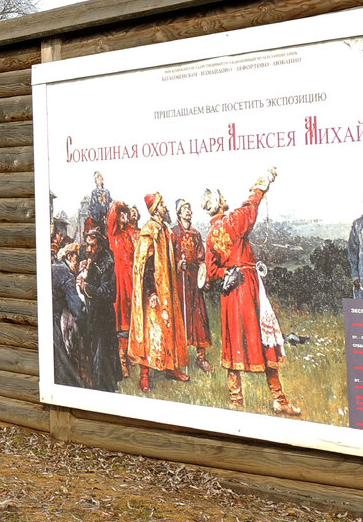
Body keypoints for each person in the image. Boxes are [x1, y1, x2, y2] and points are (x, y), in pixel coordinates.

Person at [203, 169, 301, 417]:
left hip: (229, 293)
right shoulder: (234, 219)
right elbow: (251, 205)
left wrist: (226, 273)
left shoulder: (211, 236)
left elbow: (212, 270)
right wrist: (263, 183)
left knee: (233, 342)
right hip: (247, 287)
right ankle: (278, 398)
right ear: (221, 203)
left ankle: (236, 402)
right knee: (263, 340)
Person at [128, 192, 188, 393]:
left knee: (171, 327)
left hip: (168, 290)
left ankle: (172, 368)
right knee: (150, 331)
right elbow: (145, 265)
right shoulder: (149, 231)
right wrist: (151, 291)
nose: (165, 207)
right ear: (155, 210)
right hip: (154, 292)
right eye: (161, 205)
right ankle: (144, 376)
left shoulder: (165, 229)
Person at [77, 219, 122, 392]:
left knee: (102, 355)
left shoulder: (107, 263)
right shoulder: (90, 259)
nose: (88, 250)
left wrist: (86, 286)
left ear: (100, 246)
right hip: (92, 316)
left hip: (104, 318)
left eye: (92, 246)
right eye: (87, 245)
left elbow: (108, 294)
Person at [172, 199, 213, 373]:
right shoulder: (173, 232)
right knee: (179, 316)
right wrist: (176, 263)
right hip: (180, 280)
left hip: (194, 280)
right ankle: (176, 357)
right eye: (184, 209)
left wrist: (205, 278)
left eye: (189, 208)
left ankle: (201, 357)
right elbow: (168, 255)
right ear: (179, 213)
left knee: (198, 317)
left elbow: (201, 258)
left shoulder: (196, 234)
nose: (188, 211)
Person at [106, 199, 135, 377]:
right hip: (119, 282)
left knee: (131, 318)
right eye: (121, 214)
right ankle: (122, 360)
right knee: (121, 319)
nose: (124, 217)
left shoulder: (127, 235)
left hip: (130, 281)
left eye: (125, 214)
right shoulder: (113, 233)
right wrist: (118, 204)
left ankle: (130, 355)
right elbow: (111, 217)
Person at [51, 242, 85, 388]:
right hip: (54, 324)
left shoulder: (55, 268)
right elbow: (76, 309)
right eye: (78, 260)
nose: (78, 266)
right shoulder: (66, 274)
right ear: (70, 257)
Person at [88, 172, 112, 238]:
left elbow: (109, 202)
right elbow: (93, 205)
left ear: (102, 179)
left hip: (106, 216)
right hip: (98, 217)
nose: (98, 180)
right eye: (96, 178)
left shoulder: (107, 192)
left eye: (99, 177)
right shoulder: (94, 192)